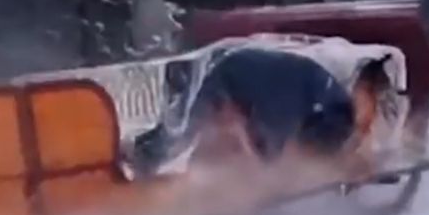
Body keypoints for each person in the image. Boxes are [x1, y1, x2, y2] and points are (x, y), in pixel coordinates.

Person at [132, 47, 359, 174]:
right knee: (185, 129)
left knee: (186, 129)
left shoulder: (319, 98)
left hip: (238, 71)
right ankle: (141, 156)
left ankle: (144, 154)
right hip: (232, 74)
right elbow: (272, 161)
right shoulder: (293, 109)